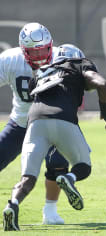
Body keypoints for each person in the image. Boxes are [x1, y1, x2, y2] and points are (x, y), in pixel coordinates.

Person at [2, 44, 106, 231]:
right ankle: (70, 178)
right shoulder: (79, 64)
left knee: (28, 178)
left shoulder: (41, 71)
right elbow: (101, 84)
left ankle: (12, 204)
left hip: (34, 122)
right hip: (63, 120)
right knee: (83, 166)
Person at [0, 22, 70, 225]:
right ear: (23, 50)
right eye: (33, 51)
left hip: (52, 123)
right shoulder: (10, 59)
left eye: (43, 50)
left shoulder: (64, 56)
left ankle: (50, 210)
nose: (39, 56)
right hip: (21, 123)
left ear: (51, 46)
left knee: (57, 164)